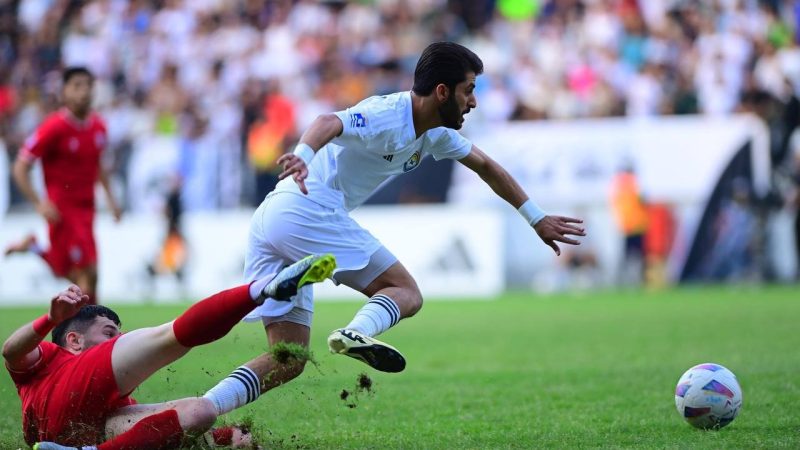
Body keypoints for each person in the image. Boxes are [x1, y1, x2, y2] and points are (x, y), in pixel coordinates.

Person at [200, 42, 585, 416]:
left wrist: (536, 217)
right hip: (306, 208)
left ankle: (198, 410)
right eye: (469, 91)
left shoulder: (435, 134)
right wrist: (303, 157)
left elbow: (488, 167)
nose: (474, 101)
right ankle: (355, 332)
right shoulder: (387, 113)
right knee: (406, 292)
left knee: (287, 360)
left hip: (277, 216)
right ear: (441, 91)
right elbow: (327, 122)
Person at [3, 254, 336, 450]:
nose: (118, 340)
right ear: (74, 341)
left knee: (201, 411)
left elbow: (159, 428)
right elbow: (10, 351)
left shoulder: (117, 402)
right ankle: (262, 290)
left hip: (79, 433)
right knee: (169, 336)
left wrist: (225, 437)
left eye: (118, 335)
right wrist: (50, 319)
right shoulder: (50, 360)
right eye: (109, 333)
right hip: (66, 395)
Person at [4, 67, 122, 305]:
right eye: (77, 86)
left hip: (87, 208)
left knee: (74, 274)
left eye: (88, 85)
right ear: (64, 92)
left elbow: (97, 164)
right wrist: (39, 203)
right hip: (62, 208)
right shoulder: (53, 127)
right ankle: (93, 333)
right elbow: (20, 166)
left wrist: (111, 199)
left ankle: (36, 248)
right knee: (88, 274)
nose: (84, 92)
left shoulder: (99, 127)